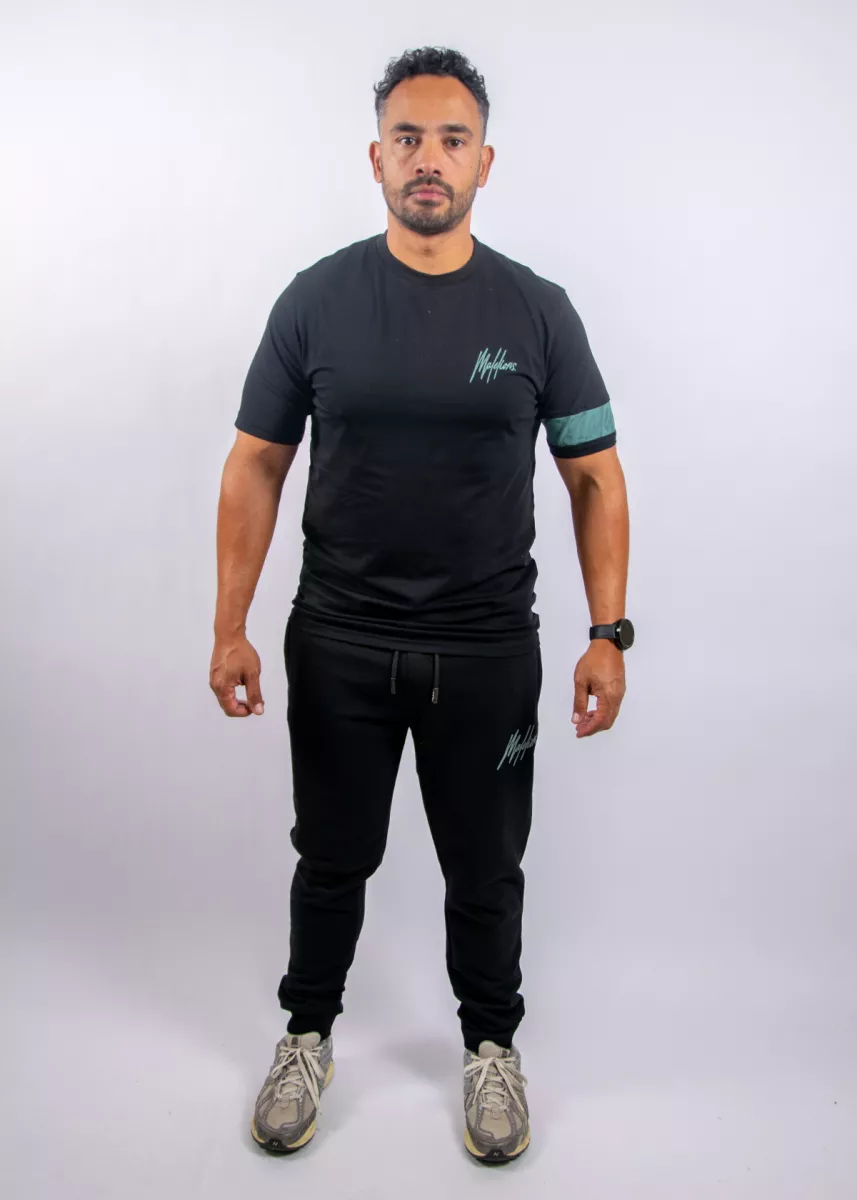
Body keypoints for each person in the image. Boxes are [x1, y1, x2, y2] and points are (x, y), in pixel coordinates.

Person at [210, 45, 633, 1165]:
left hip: (486, 650)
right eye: (408, 138)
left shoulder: (537, 312)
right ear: (376, 159)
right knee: (330, 859)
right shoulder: (317, 301)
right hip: (340, 641)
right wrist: (228, 624)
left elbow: (594, 477)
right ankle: (306, 1035)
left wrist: (607, 633)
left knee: (485, 872)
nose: (428, 158)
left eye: (451, 139)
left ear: (485, 162)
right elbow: (256, 462)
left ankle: (491, 1049)